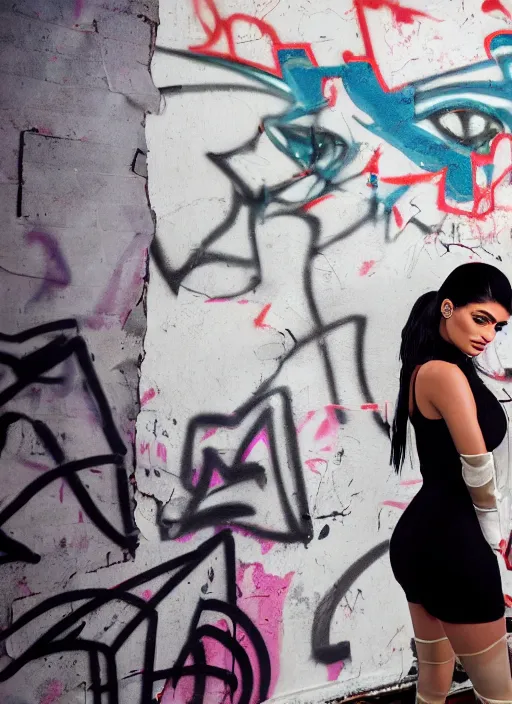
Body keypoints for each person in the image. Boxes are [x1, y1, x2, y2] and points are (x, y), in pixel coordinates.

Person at [389, 262, 512, 704]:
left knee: (433, 687)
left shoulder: (433, 367)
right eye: (480, 319)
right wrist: (496, 542)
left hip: (424, 541)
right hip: (453, 547)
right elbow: (477, 467)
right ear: (447, 307)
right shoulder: (445, 374)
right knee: (499, 696)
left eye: (498, 326)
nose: (488, 335)